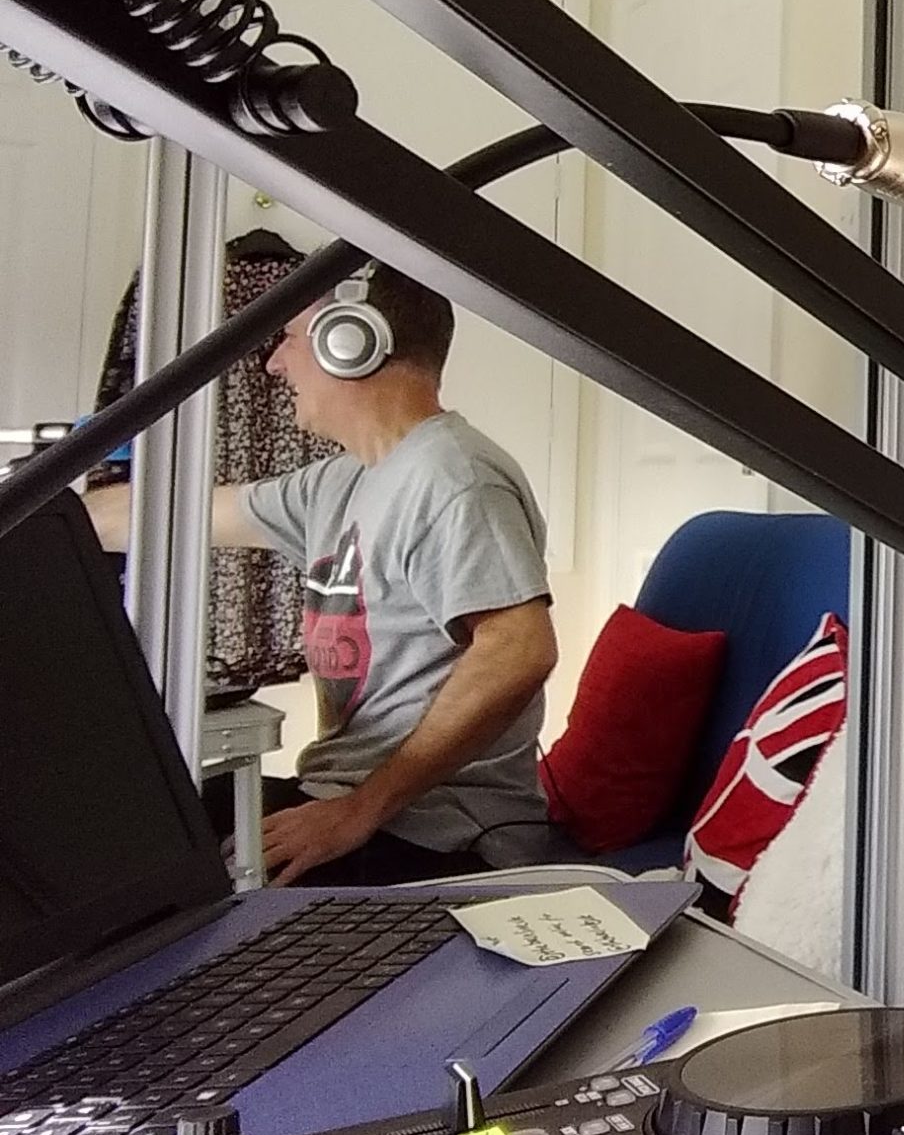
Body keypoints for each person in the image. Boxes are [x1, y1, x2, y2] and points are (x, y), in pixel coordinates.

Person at [87, 264, 555, 886]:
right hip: (352, 803)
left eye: (288, 338)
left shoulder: (453, 477)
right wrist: (38, 511)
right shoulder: (341, 481)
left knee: (122, 867)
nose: (274, 365)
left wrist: (357, 812)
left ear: (351, 339)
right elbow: (166, 514)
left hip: (439, 835)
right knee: (115, 819)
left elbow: (520, 650)